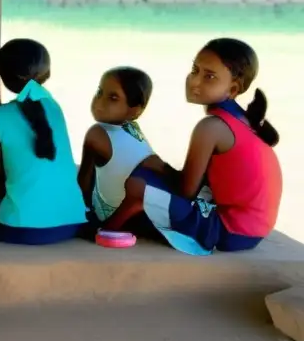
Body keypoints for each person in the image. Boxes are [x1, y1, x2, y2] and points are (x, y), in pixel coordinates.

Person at [104, 39, 282, 254]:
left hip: (230, 231)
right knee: (149, 178)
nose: (194, 81)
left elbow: (186, 191)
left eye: (209, 76)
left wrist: (160, 167)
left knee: (139, 183)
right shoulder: (240, 120)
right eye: (194, 70)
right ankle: (133, 219)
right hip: (250, 230)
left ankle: (106, 229)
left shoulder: (211, 127)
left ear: (233, 88)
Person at [0, 39, 86, 244]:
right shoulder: (55, 108)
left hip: (20, 230)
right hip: (71, 224)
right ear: (46, 74)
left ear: (3, 76)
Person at [78, 67, 175, 225]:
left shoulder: (96, 134)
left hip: (111, 214)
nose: (99, 102)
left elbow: (84, 179)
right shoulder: (132, 128)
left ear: (134, 110)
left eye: (113, 98)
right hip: (140, 213)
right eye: (99, 92)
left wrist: (83, 214)